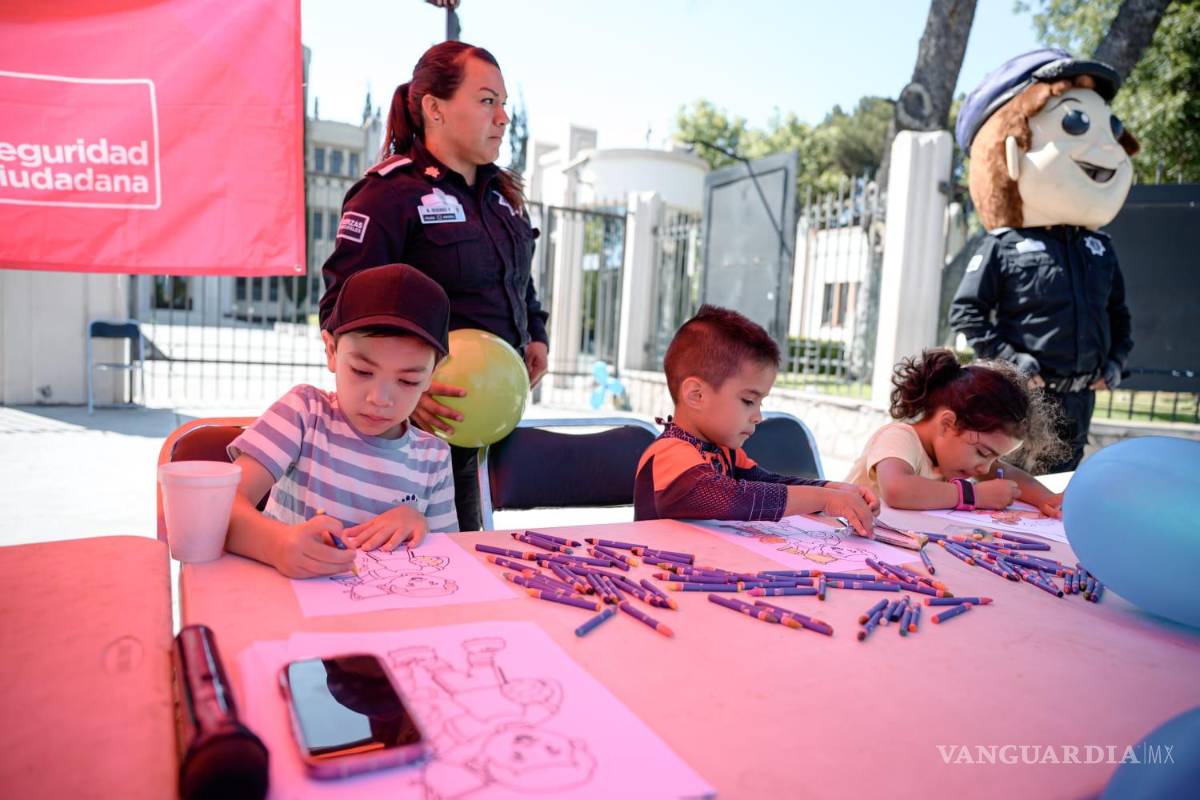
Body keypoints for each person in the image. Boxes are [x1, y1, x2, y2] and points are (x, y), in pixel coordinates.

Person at [319, 41, 548, 531]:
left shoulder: (503, 197)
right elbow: (341, 305)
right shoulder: (389, 195)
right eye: (487, 101)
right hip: (419, 429)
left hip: (492, 414)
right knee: (417, 554)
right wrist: (404, 389)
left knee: (476, 546)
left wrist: (536, 334)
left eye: (503, 103)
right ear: (434, 108)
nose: (503, 117)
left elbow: (519, 279)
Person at [949, 48, 1138, 472]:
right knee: (1014, 490)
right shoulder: (1005, 245)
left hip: (1080, 400)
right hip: (1025, 399)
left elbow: (1119, 315)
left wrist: (1115, 363)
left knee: (1062, 493)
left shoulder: (1098, 247)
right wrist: (1013, 363)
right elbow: (966, 313)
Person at [226, 264, 458, 578]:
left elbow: (449, 561)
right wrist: (277, 544)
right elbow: (219, 505)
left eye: (408, 381)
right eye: (362, 371)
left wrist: (420, 523)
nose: (380, 398)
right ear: (332, 350)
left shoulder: (434, 458)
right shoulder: (304, 414)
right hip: (285, 597)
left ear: (433, 373)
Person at [633, 305, 878, 534]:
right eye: (749, 401)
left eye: (761, 403)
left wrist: (830, 489)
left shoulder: (724, 451)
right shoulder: (669, 454)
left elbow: (769, 483)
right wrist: (824, 499)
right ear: (696, 395)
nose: (758, 416)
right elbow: (738, 499)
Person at [846, 348, 1066, 516]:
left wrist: (1046, 498)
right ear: (947, 424)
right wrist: (974, 495)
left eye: (995, 458)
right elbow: (897, 490)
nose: (985, 468)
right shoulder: (899, 438)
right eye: (983, 453)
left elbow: (1005, 473)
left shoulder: (955, 456)